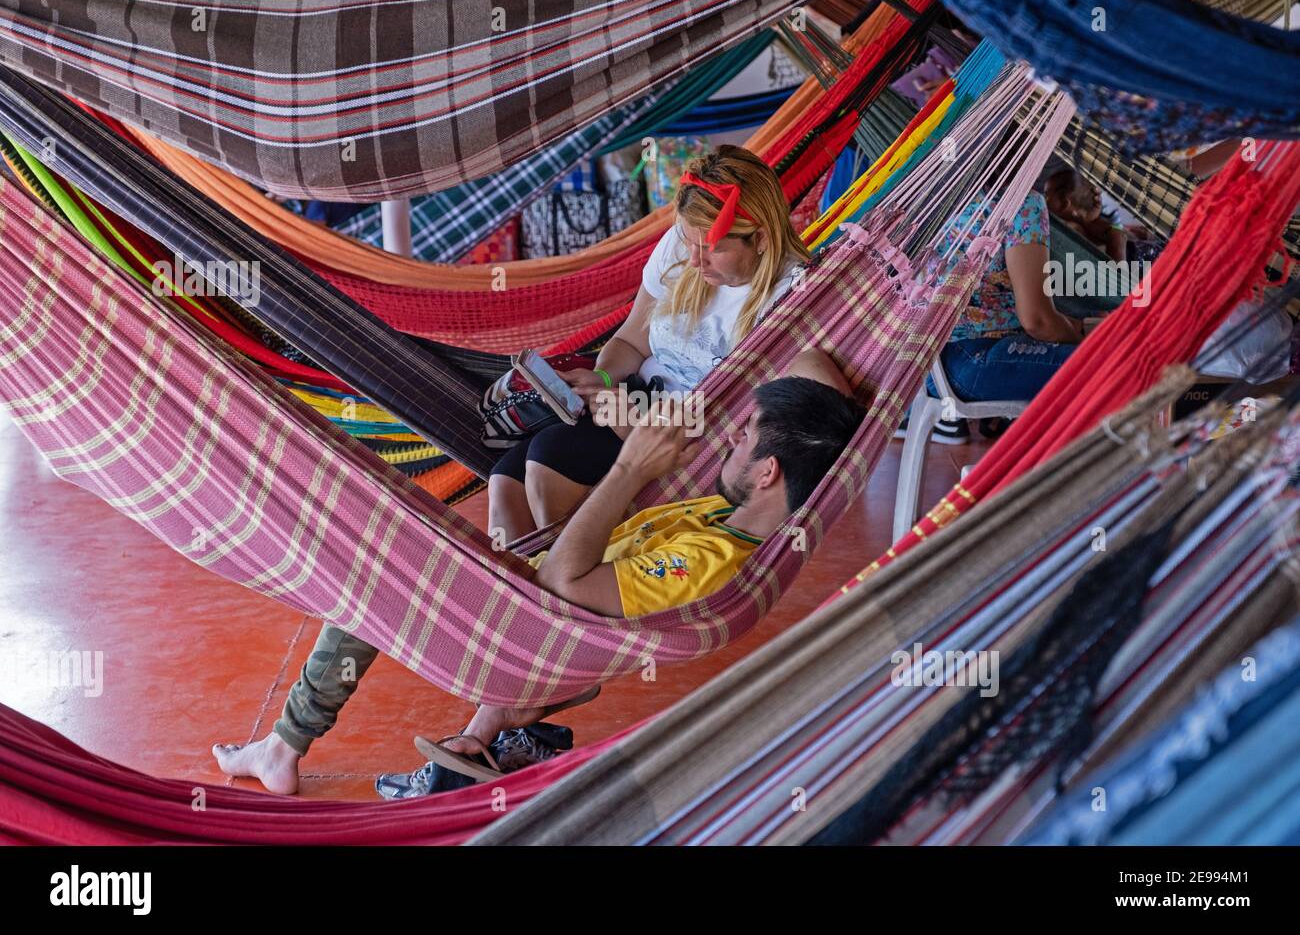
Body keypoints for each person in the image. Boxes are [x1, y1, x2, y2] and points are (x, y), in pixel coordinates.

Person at [213, 351, 866, 797]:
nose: (729, 441)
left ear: (769, 473)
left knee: (363, 574)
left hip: (521, 630)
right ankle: (477, 735)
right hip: (520, 602)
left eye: (743, 439)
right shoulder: (728, 508)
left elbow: (563, 587)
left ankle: (285, 746)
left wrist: (631, 469)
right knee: (393, 525)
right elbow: (812, 365)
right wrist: (828, 422)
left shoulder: (705, 560)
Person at [488, 145, 811, 544]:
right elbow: (630, 340)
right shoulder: (683, 245)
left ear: (760, 238)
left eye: (712, 247)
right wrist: (602, 378)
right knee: (504, 479)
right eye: (689, 242)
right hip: (630, 401)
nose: (694, 260)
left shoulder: (789, 298)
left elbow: (738, 426)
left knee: (546, 463)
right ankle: (518, 594)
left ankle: (568, 589)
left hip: (683, 439)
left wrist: (629, 420)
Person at [907, 189, 1084, 444]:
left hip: (931, 371)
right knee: (1117, 363)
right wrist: (1082, 340)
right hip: (976, 361)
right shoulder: (1021, 202)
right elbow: (1037, 321)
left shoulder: (934, 194)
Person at [1042, 168, 1128, 262]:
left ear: (1065, 203)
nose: (1043, 200)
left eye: (1046, 196)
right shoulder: (1097, 228)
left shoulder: (1072, 228)